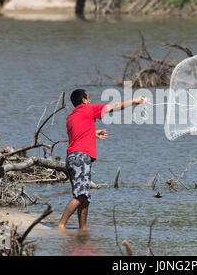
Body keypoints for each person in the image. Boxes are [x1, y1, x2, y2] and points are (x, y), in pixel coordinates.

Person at [55, 89, 144, 230]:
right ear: (84, 100)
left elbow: (77, 136)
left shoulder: (71, 117)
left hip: (72, 157)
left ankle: (83, 229)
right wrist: (133, 101)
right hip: (81, 157)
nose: (90, 100)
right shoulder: (89, 109)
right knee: (81, 195)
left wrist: (93, 134)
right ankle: (61, 225)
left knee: (85, 197)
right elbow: (114, 106)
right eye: (89, 97)